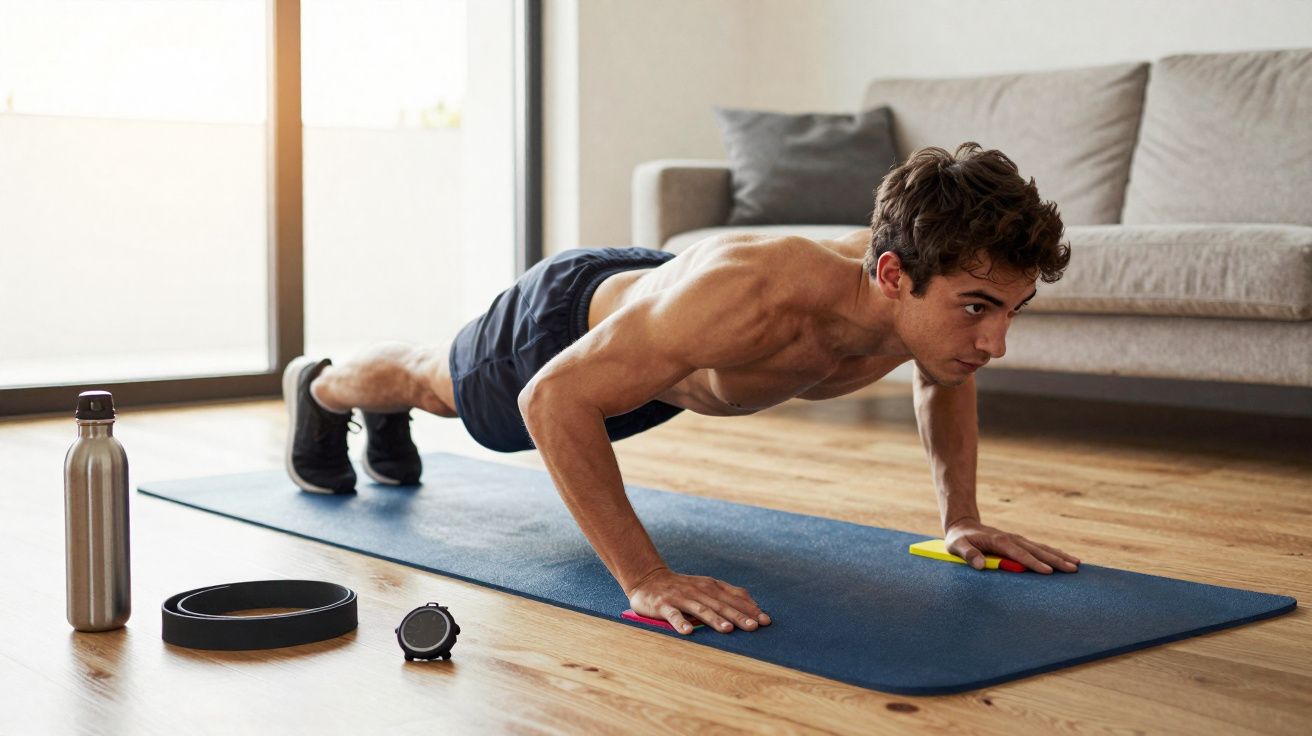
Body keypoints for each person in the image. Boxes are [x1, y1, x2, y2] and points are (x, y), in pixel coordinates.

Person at [283, 141, 1081, 636]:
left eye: (1011, 310)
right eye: (977, 309)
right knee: (440, 386)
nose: (994, 341)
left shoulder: (921, 315)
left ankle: (378, 416)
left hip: (668, 343)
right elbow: (551, 399)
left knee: (465, 391)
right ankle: (323, 389)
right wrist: (645, 577)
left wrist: (961, 519)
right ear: (893, 276)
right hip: (566, 326)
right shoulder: (759, 296)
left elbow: (945, 374)